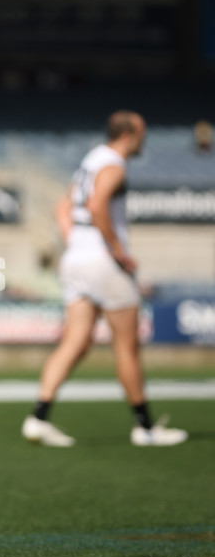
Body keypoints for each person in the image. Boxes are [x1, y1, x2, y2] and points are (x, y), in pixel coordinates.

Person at [21, 111, 188, 448]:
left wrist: (74, 242)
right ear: (130, 134)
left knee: (75, 341)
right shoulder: (113, 163)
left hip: (76, 259)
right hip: (102, 261)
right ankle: (145, 428)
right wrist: (117, 251)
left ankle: (38, 418)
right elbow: (98, 206)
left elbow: (62, 208)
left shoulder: (90, 160)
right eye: (142, 132)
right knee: (127, 346)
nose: (145, 138)